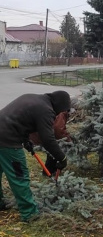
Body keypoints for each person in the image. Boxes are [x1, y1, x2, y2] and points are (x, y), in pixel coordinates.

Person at [0, 91, 71, 222]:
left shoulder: (34, 99)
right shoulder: (46, 110)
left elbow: (20, 119)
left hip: (4, 133)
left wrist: (25, 140)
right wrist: (62, 158)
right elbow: (48, 139)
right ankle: (30, 214)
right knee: (19, 176)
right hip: (7, 140)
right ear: (59, 106)